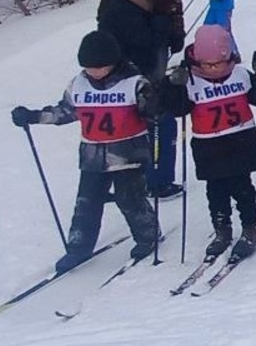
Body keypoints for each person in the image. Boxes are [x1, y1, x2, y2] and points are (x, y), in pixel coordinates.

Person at [11, 29, 161, 273]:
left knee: (130, 199)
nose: (93, 72)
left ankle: (148, 235)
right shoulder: (79, 84)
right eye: (89, 67)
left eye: (99, 67)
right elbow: (65, 111)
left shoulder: (134, 82)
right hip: (92, 157)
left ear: (113, 62)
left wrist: (157, 105)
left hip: (128, 154)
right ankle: (78, 247)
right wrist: (33, 116)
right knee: (86, 202)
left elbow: (153, 112)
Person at [162, 25, 256, 262]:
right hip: (208, 146)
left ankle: (250, 225)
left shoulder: (240, 74)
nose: (213, 69)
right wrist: (173, 87)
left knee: (243, 188)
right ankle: (222, 229)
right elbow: (178, 108)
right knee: (216, 191)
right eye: (207, 65)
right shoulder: (191, 80)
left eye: (218, 64)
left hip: (240, 141)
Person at [98, 0, 179, 199]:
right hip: (139, 80)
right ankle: (157, 182)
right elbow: (144, 43)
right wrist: (162, 22)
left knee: (155, 127)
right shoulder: (122, 10)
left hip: (141, 76)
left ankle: (150, 179)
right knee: (159, 126)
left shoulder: (136, 3)